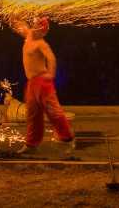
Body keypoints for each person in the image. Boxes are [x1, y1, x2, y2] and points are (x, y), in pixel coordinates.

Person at [12, 17, 75, 154]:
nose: (35, 28)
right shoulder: (29, 35)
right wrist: (12, 16)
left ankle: (68, 139)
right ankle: (31, 145)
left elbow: (51, 58)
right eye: (34, 25)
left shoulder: (41, 44)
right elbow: (20, 26)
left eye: (38, 27)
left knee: (53, 112)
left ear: (42, 31)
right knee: (33, 114)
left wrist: (51, 74)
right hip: (32, 83)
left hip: (42, 82)